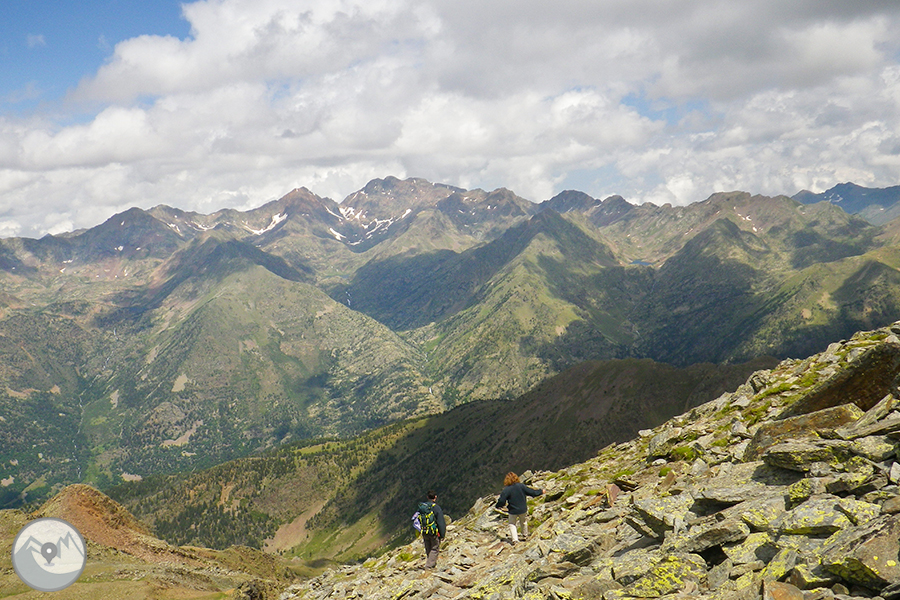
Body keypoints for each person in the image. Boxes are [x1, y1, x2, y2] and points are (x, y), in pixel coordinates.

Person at [495, 472, 542, 544]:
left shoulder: (507, 490)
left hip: (513, 510)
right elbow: (532, 492)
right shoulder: (521, 486)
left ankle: (515, 540)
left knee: (512, 524)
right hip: (523, 509)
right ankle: (525, 535)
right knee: (523, 522)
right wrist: (541, 491)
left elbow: (502, 500)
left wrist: (498, 506)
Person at [418, 491, 446, 569]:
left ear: (427, 497)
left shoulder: (423, 507)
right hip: (433, 532)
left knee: (428, 547)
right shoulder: (436, 508)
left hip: (424, 531)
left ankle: (430, 562)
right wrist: (442, 534)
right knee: (434, 548)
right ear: (435, 497)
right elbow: (440, 522)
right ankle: (429, 566)